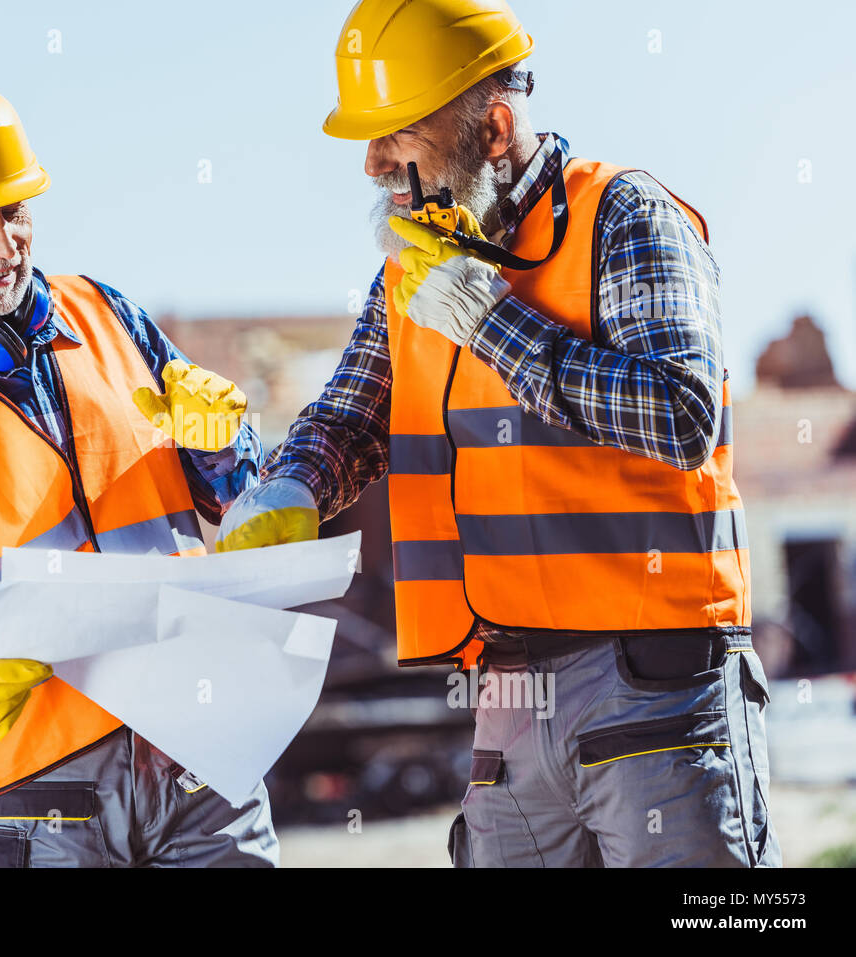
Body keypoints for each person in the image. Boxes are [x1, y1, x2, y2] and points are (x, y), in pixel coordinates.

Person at [219, 0, 777, 867]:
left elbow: (681, 413)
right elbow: (344, 418)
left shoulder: (624, 215)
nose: (371, 166)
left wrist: (490, 322)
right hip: (509, 691)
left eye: (395, 136)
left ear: (495, 127)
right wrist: (292, 484)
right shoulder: (412, 270)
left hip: (657, 686)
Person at [0, 70, 278, 867]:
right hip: (36, 797)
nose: (2, 242)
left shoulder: (110, 317)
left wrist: (225, 446)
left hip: (201, 754)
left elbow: (238, 500)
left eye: (15, 209)